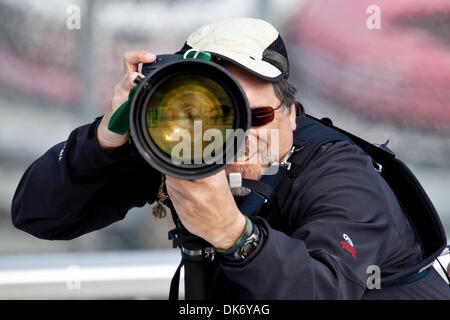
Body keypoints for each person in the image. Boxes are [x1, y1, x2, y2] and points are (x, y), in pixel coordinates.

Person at [11, 18, 450, 299]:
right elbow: (39, 215)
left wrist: (234, 236)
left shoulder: (339, 174)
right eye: (216, 114)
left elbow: (326, 291)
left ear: (293, 115)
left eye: (255, 115)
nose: (238, 137)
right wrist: (104, 137)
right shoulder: (185, 145)